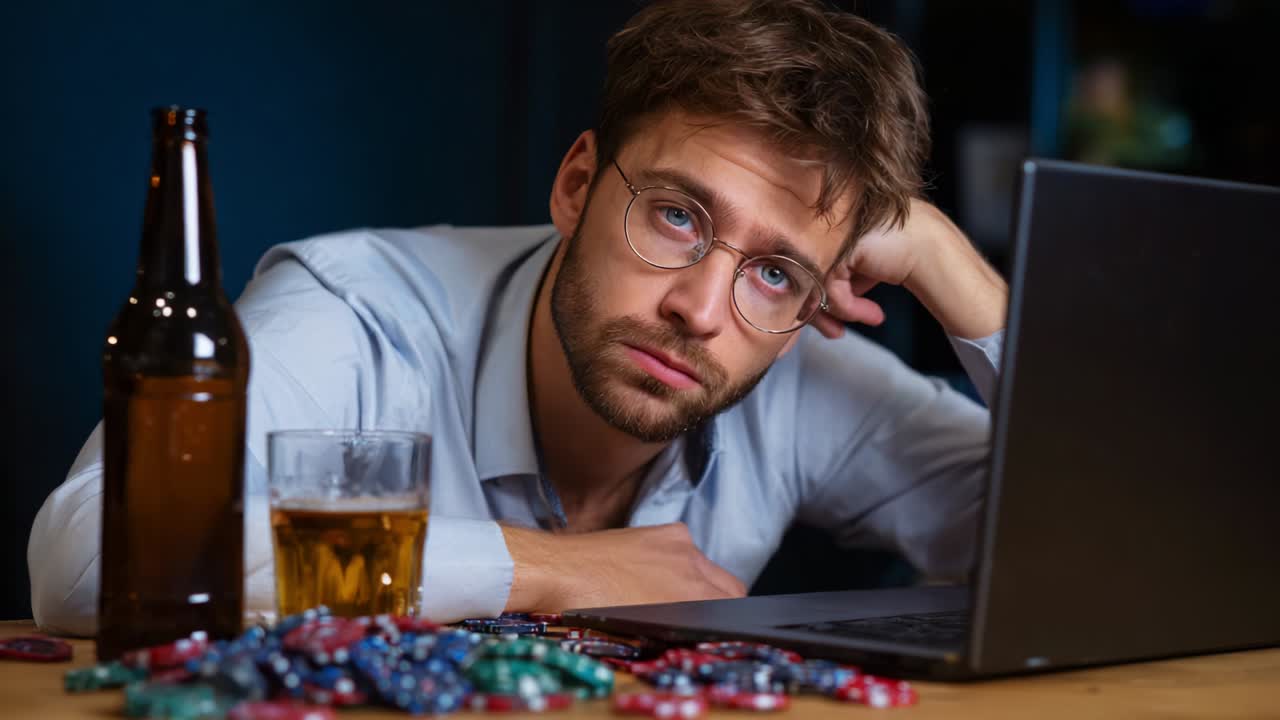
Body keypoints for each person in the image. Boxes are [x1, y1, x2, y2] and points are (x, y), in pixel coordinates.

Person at [28, 0, 1007, 635]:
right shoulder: (357, 311)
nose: (701, 311)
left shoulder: (800, 368)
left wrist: (945, 263)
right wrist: (540, 568)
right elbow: (89, 555)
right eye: (676, 216)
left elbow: (1106, 547)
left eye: (776, 271)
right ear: (577, 183)